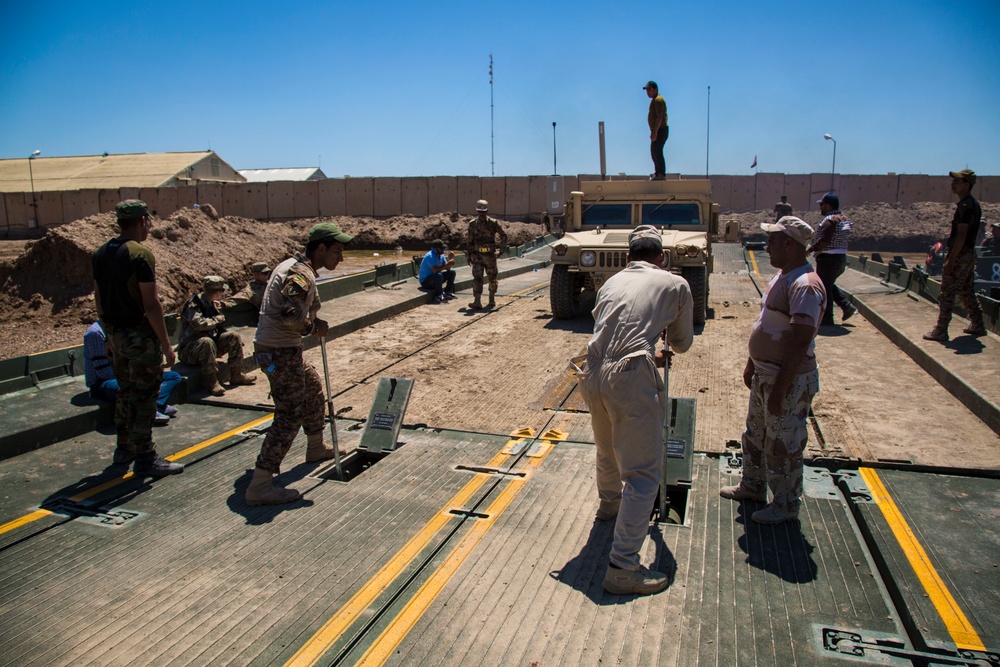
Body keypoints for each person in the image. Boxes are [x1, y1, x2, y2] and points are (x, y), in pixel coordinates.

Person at [576, 225, 693, 595]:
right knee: (643, 475)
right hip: (628, 375)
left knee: (607, 448)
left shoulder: (610, 283)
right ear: (661, 256)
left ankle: (609, 507)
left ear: (628, 257)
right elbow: (682, 342)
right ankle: (623, 568)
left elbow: (611, 329)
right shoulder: (674, 284)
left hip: (591, 369)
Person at [721, 216, 826, 524]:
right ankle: (752, 486)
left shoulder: (805, 285)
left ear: (789, 244)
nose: (767, 248)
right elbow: (766, 323)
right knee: (756, 434)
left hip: (786, 379)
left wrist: (781, 387)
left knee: (783, 443)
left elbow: (799, 340)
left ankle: (785, 504)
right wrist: (751, 363)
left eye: (772, 242)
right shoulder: (783, 277)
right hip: (765, 375)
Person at [247, 222, 352, 505]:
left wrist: (312, 321)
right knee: (289, 415)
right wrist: (311, 328)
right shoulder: (301, 274)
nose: (340, 258)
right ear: (321, 248)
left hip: (284, 349)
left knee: (313, 388)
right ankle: (260, 485)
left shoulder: (296, 266)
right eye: (337, 252)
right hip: (278, 352)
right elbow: (291, 317)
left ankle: (316, 447)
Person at [92, 199, 183, 476]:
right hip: (140, 339)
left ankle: (124, 449)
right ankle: (146, 457)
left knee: (125, 393)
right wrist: (166, 345)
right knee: (144, 398)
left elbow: (98, 299)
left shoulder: (100, 253)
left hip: (116, 337)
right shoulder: (140, 254)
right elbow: (151, 304)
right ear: (143, 220)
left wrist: (108, 336)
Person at [924, 170, 987, 340]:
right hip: (967, 254)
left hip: (960, 254)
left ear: (967, 184)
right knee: (966, 290)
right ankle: (978, 324)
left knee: (947, 292)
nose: (953, 184)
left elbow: (962, 234)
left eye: (957, 182)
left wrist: (951, 260)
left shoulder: (966, 206)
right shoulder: (970, 204)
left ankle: (941, 330)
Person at [84, 320, 182, 425]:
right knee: (129, 387)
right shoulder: (95, 333)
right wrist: (133, 376)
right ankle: (150, 409)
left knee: (173, 377)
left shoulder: (123, 328)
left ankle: (153, 406)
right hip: (103, 382)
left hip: (128, 374)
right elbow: (103, 372)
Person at [177, 275, 257, 396]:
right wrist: (217, 319)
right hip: (189, 350)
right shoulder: (194, 304)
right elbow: (198, 325)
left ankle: (236, 375)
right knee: (206, 341)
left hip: (206, 345)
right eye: (222, 291)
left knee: (233, 336)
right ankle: (212, 383)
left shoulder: (210, 303)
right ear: (217, 292)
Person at [806, 193, 857, 326]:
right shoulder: (844, 219)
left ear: (828, 205)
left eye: (821, 205)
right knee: (827, 284)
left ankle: (827, 319)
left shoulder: (830, 219)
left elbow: (824, 240)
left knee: (824, 288)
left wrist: (809, 250)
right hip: (840, 258)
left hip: (828, 258)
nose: (820, 208)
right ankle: (847, 306)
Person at [465, 200, 508, 310]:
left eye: (483, 212)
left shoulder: (493, 223)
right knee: (477, 278)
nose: (481, 214)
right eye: (479, 212)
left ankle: (491, 299)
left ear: (487, 211)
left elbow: (503, 235)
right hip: (477, 255)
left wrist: (501, 251)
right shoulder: (472, 224)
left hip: (490, 256)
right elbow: (469, 241)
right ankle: (477, 301)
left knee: (492, 278)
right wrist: (468, 256)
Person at [643, 81, 668, 180]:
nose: (648, 92)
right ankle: (658, 172)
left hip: (660, 130)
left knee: (657, 150)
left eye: (650, 89)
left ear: (655, 89)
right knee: (654, 151)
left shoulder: (658, 100)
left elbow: (660, 116)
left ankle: (661, 174)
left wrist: (655, 132)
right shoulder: (654, 100)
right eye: (647, 90)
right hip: (658, 130)